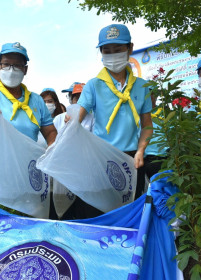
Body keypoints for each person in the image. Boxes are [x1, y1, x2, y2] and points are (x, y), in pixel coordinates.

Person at [77, 24, 153, 199]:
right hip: (101, 157)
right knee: (102, 208)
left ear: (130, 48)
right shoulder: (94, 85)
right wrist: (71, 120)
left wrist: (141, 150)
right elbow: (77, 118)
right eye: (107, 51)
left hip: (133, 158)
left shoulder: (142, 86)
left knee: (131, 207)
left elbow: (147, 125)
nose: (112, 56)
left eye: (117, 50)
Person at [0, 42, 57, 145]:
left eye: (17, 65)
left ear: (25, 69)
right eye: (6, 64)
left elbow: (50, 132)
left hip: (29, 160)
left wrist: (51, 150)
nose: (12, 70)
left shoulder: (37, 100)